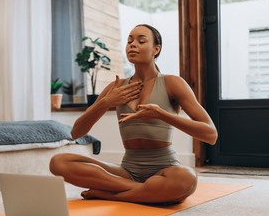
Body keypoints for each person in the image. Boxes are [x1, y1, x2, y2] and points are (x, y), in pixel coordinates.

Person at [49, 24, 218, 205]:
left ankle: (112, 194)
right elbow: (76, 133)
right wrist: (106, 102)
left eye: (141, 40)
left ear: (156, 49)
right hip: (127, 171)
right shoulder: (117, 87)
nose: (132, 45)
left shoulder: (172, 83)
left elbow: (210, 134)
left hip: (164, 168)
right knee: (59, 162)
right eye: (129, 40)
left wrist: (161, 114)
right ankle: (144, 192)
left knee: (186, 179)